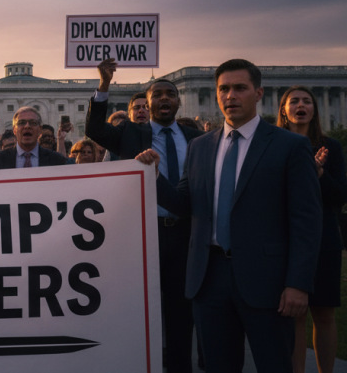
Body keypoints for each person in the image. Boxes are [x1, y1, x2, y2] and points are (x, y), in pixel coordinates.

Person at [136, 59, 322, 373]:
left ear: (259, 92)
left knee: (275, 364)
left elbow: (306, 219)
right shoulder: (200, 146)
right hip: (209, 278)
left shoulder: (290, 146)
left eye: (239, 88)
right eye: (223, 89)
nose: (230, 96)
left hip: (268, 281)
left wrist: (298, 283)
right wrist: (154, 177)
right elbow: (185, 204)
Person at [86, 58, 205, 373]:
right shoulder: (129, 134)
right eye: (158, 94)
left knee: (181, 315)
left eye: (170, 93)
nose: (165, 98)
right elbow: (95, 129)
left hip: (183, 234)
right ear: (147, 103)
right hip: (141, 233)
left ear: (179, 102)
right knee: (138, 312)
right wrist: (104, 84)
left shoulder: (198, 141)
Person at [276, 86, 347, 373]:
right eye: (294, 101)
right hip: (284, 239)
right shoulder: (273, 145)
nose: (301, 105)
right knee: (294, 315)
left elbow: (340, 196)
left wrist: (318, 174)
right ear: (284, 109)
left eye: (307, 101)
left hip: (324, 239)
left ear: (314, 110)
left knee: (323, 313)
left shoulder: (331, 147)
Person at [0, 107, 68, 169]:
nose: (27, 126)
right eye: (21, 123)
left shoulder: (57, 160)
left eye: (33, 123)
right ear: (14, 130)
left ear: (40, 130)